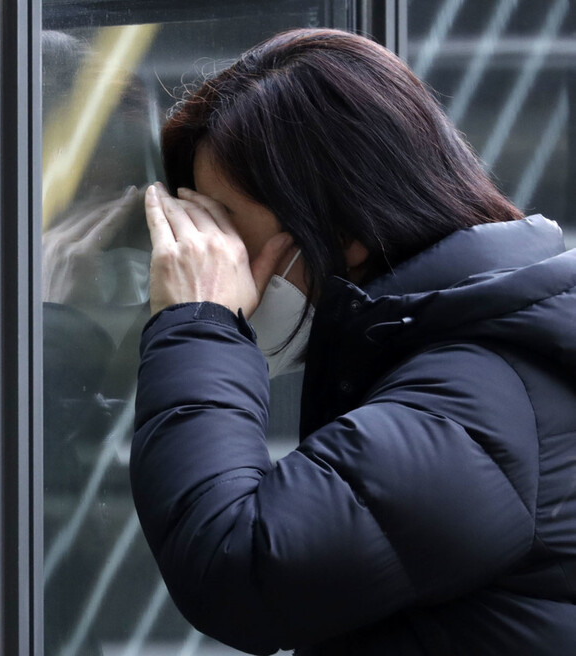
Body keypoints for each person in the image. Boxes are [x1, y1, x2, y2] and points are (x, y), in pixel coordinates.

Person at [130, 28, 576, 655]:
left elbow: (236, 567)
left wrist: (199, 320)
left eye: (227, 233)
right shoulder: (470, 359)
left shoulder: (481, 399)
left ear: (347, 234)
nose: (208, 258)